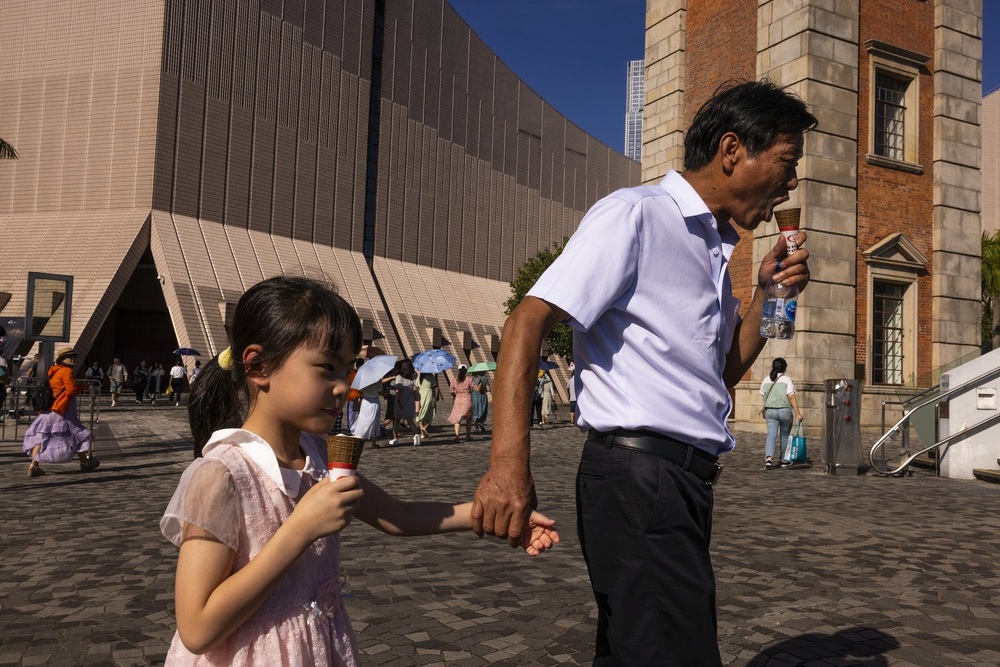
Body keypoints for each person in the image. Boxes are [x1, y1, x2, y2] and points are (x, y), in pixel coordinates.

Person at [471, 79, 817, 665]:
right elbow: (525, 322)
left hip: (679, 484)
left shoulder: (714, 247)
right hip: (639, 477)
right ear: (732, 151)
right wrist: (507, 467)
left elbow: (720, 372)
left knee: (639, 648)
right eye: (785, 162)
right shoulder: (636, 214)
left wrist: (766, 295)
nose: (791, 181)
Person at [165, 276, 559, 665]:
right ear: (258, 365)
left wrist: (499, 515)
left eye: (348, 368)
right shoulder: (220, 476)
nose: (343, 386)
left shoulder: (317, 455)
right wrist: (300, 529)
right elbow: (198, 629)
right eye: (326, 368)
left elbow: (399, 517)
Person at [22, 347, 101, 477]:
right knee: (76, 433)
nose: (73, 359)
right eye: (70, 357)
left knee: (43, 436)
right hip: (63, 408)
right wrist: (83, 386)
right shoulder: (67, 371)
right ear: (62, 359)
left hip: (51, 409)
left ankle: (33, 466)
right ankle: (85, 463)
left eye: (74, 357)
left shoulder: (54, 371)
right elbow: (71, 390)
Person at [760, 357, 804, 469]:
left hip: (770, 411)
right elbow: (791, 396)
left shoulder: (766, 380)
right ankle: (784, 460)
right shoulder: (787, 379)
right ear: (784, 368)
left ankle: (769, 459)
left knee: (771, 435)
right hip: (785, 411)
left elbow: (763, 395)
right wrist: (798, 413)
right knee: (784, 437)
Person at [389, 359, 419, 446]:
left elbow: (399, 387)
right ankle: (415, 434)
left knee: (397, 420)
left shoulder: (399, 377)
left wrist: (392, 386)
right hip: (410, 400)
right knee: (410, 421)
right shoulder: (413, 376)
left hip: (400, 400)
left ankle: (395, 438)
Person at [447, 364, 475, 443]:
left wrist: (456, 393)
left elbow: (451, 391)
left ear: (458, 371)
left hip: (458, 399)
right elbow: (473, 387)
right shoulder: (470, 379)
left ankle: (457, 436)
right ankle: (468, 436)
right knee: (468, 418)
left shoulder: (454, 380)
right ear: (466, 371)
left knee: (457, 419)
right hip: (467, 399)